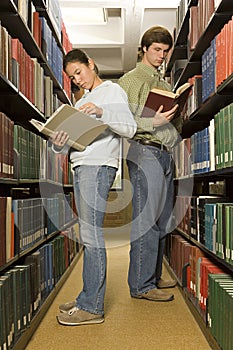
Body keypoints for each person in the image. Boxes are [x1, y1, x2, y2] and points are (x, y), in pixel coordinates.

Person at [52, 48, 137, 326]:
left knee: (91, 236)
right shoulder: (81, 101)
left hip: (98, 166)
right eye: (71, 77)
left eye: (79, 71)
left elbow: (129, 127)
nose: (77, 79)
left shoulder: (111, 91)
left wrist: (102, 111)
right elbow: (70, 143)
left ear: (91, 64)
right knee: (87, 234)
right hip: (80, 166)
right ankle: (86, 297)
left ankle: (92, 307)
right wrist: (59, 140)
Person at [118, 25, 181, 302]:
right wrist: (151, 121)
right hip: (145, 151)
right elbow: (119, 121)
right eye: (157, 50)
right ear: (144, 49)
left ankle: (152, 277)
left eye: (165, 51)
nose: (161, 56)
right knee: (146, 221)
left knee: (162, 219)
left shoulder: (163, 82)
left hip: (165, 153)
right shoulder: (130, 80)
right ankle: (141, 285)